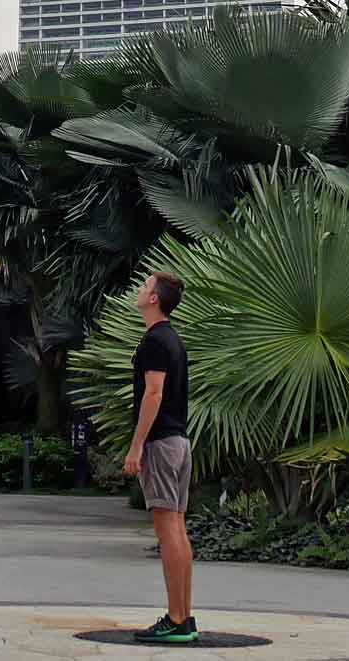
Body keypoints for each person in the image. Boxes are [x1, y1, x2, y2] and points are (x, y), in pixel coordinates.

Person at [120, 270, 194, 645]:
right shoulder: (174, 340)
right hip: (180, 442)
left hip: (163, 444)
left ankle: (177, 619)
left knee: (168, 532)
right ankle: (184, 617)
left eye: (146, 285)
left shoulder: (155, 341)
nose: (140, 288)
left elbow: (153, 395)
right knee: (177, 529)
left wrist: (136, 447)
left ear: (154, 300)